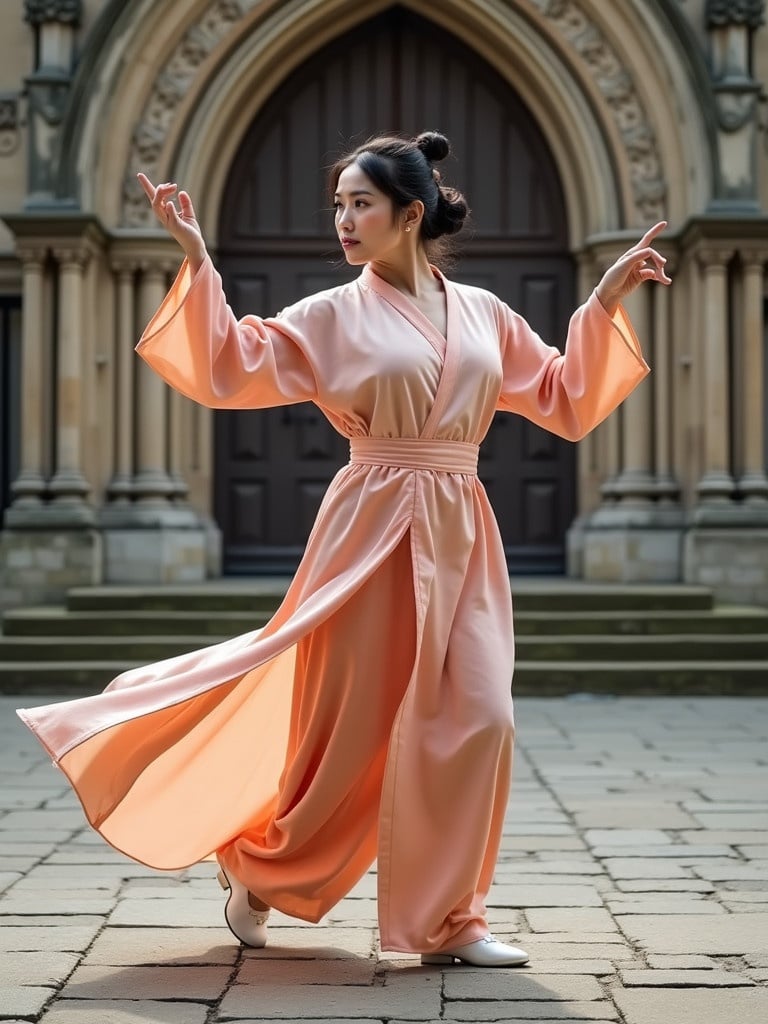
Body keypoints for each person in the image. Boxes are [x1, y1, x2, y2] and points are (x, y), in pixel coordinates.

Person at [17, 131, 670, 968]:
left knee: (481, 719)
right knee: (347, 738)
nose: (344, 220)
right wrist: (194, 259)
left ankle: (452, 921)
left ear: (410, 213)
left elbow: (560, 396)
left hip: (460, 529)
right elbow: (232, 364)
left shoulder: (485, 315)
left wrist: (606, 300)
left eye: (361, 203)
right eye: (339, 204)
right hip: (368, 529)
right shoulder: (331, 314)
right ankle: (259, 871)